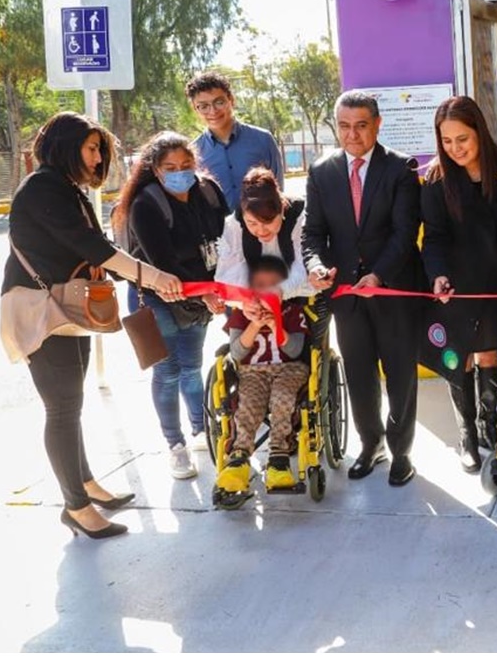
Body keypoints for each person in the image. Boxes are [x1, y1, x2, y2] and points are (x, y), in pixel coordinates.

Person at [2, 112, 183, 539]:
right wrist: (154, 277)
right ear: (66, 146)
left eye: (100, 148)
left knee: (71, 404)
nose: (97, 156)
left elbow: (93, 253)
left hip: (66, 309)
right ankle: (76, 506)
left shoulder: (68, 189)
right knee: (61, 409)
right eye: (91, 147)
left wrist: (146, 278)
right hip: (41, 311)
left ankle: (83, 483)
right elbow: (95, 248)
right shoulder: (43, 187)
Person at [303, 90, 423, 486]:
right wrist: (316, 264)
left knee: (400, 373)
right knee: (358, 373)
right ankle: (371, 445)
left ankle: (402, 450)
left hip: (391, 291)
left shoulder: (401, 169)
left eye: (361, 125)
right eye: (344, 126)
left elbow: (405, 234)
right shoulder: (322, 171)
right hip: (347, 298)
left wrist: (379, 274)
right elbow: (313, 233)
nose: (352, 135)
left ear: (377, 124)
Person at [421, 96, 497, 472]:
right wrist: (438, 275)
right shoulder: (435, 179)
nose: (456, 149)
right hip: (456, 286)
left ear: (479, 131)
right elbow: (432, 237)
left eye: (462, 139)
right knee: (460, 358)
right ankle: (467, 434)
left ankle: (492, 428)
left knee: (489, 356)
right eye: (447, 141)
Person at [115, 131, 229, 480]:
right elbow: (162, 263)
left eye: (186, 165)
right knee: (167, 373)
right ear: (155, 169)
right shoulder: (145, 205)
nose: (180, 173)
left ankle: (199, 429)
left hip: (200, 297)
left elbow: (228, 240)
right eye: (170, 167)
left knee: (192, 366)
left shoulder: (208, 192)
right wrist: (205, 293)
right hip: (158, 298)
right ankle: (175, 445)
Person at [214, 256, 311, 497]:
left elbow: (296, 351)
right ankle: (239, 458)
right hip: (253, 371)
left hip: (289, 367)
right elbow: (236, 352)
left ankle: (278, 455)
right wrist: (255, 325)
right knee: (248, 404)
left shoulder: (293, 312)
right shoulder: (240, 314)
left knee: (283, 398)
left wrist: (277, 326)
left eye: (272, 286)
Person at [187, 71, 284, 212]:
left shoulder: (263, 140)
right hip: (219, 232)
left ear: (231, 100)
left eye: (219, 102)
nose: (213, 111)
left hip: (261, 229)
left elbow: (278, 190)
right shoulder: (193, 151)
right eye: (203, 106)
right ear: (195, 109)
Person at [214, 166, 315, 300]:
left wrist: (280, 290)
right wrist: (250, 298)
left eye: (268, 221)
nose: (261, 231)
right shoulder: (235, 223)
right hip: (256, 301)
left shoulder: (300, 215)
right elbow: (227, 274)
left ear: (281, 209)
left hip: (305, 298)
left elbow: (304, 266)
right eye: (252, 223)